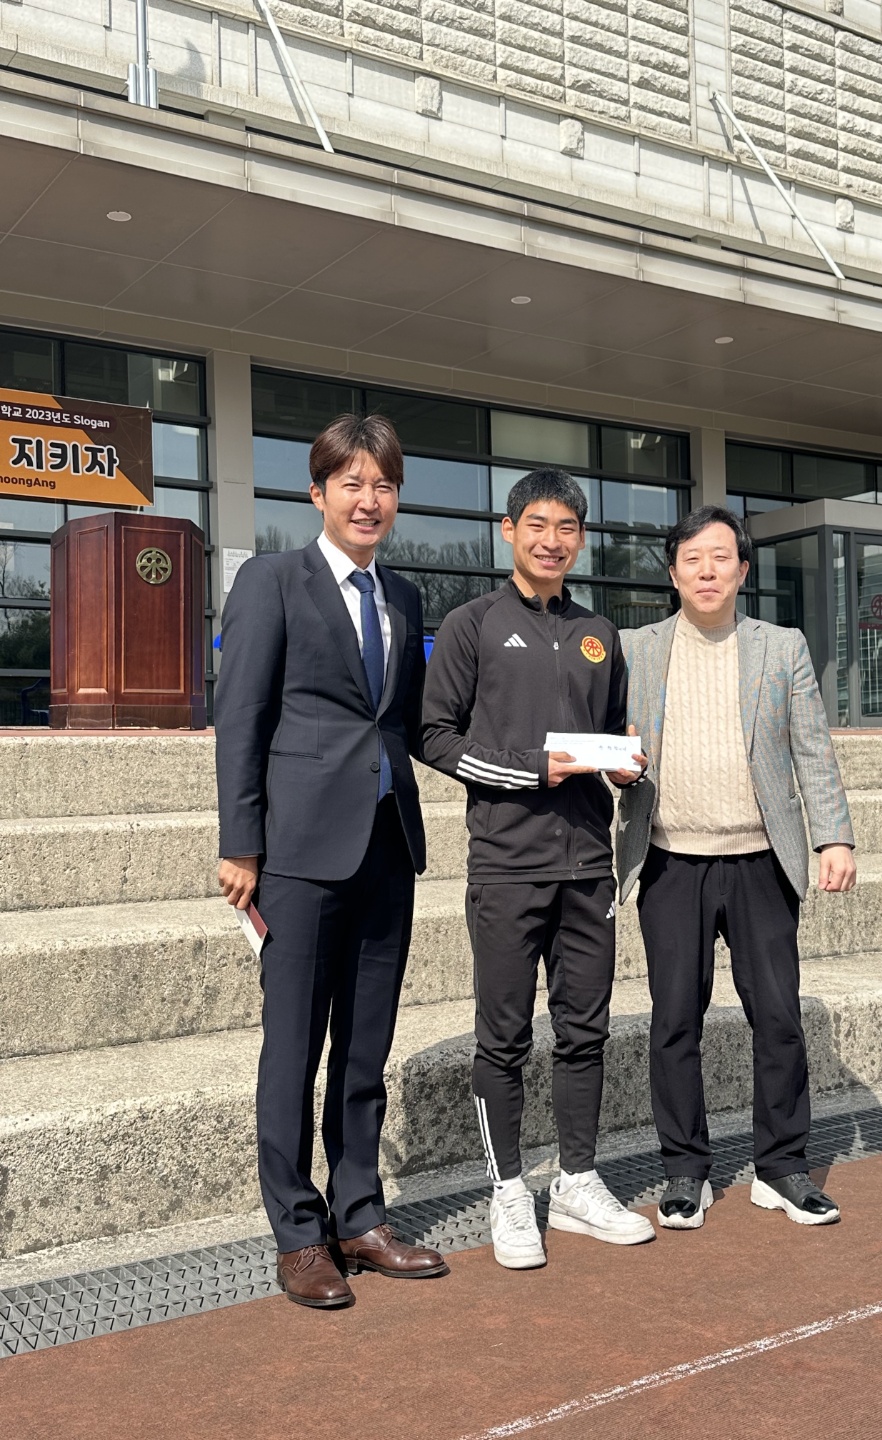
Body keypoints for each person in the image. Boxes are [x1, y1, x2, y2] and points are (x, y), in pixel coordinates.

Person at [215, 413, 448, 1308]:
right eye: (351, 482)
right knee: (293, 1048)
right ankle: (298, 1233)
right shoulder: (273, 580)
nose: (369, 499)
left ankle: (360, 1216)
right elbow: (241, 718)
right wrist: (241, 843)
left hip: (387, 847)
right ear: (318, 493)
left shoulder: (404, 597)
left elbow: (410, 723)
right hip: (299, 856)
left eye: (383, 484)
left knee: (365, 1047)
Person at [421, 468, 654, 1269]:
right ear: (509, 530)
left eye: (566, 528)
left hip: (588, 865)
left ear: (581, 539)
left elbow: (611, 731)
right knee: (505, 1038)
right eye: (537, 525)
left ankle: (579, 1181)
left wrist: (624, 764)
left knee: (585, 1031)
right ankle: (509, 1190)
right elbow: (435, 736)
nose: (552, 541)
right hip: (506, 864)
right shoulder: (472, 624)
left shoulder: (599, 632)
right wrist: (530, 769)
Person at [617, 505, 856, 1230]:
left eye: (721, 557)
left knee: (778, 1018)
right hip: (670, 861)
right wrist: (614, 768)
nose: (707, 571)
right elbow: (607, 745)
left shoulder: (781, 647)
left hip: (760, 861)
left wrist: (833, 838)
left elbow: (812, 748)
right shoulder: (634, 649)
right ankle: (684, 1170)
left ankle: (782, 1168)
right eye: (692, 559)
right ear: (673, 573)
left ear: (743, 570)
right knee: (674, 1022)